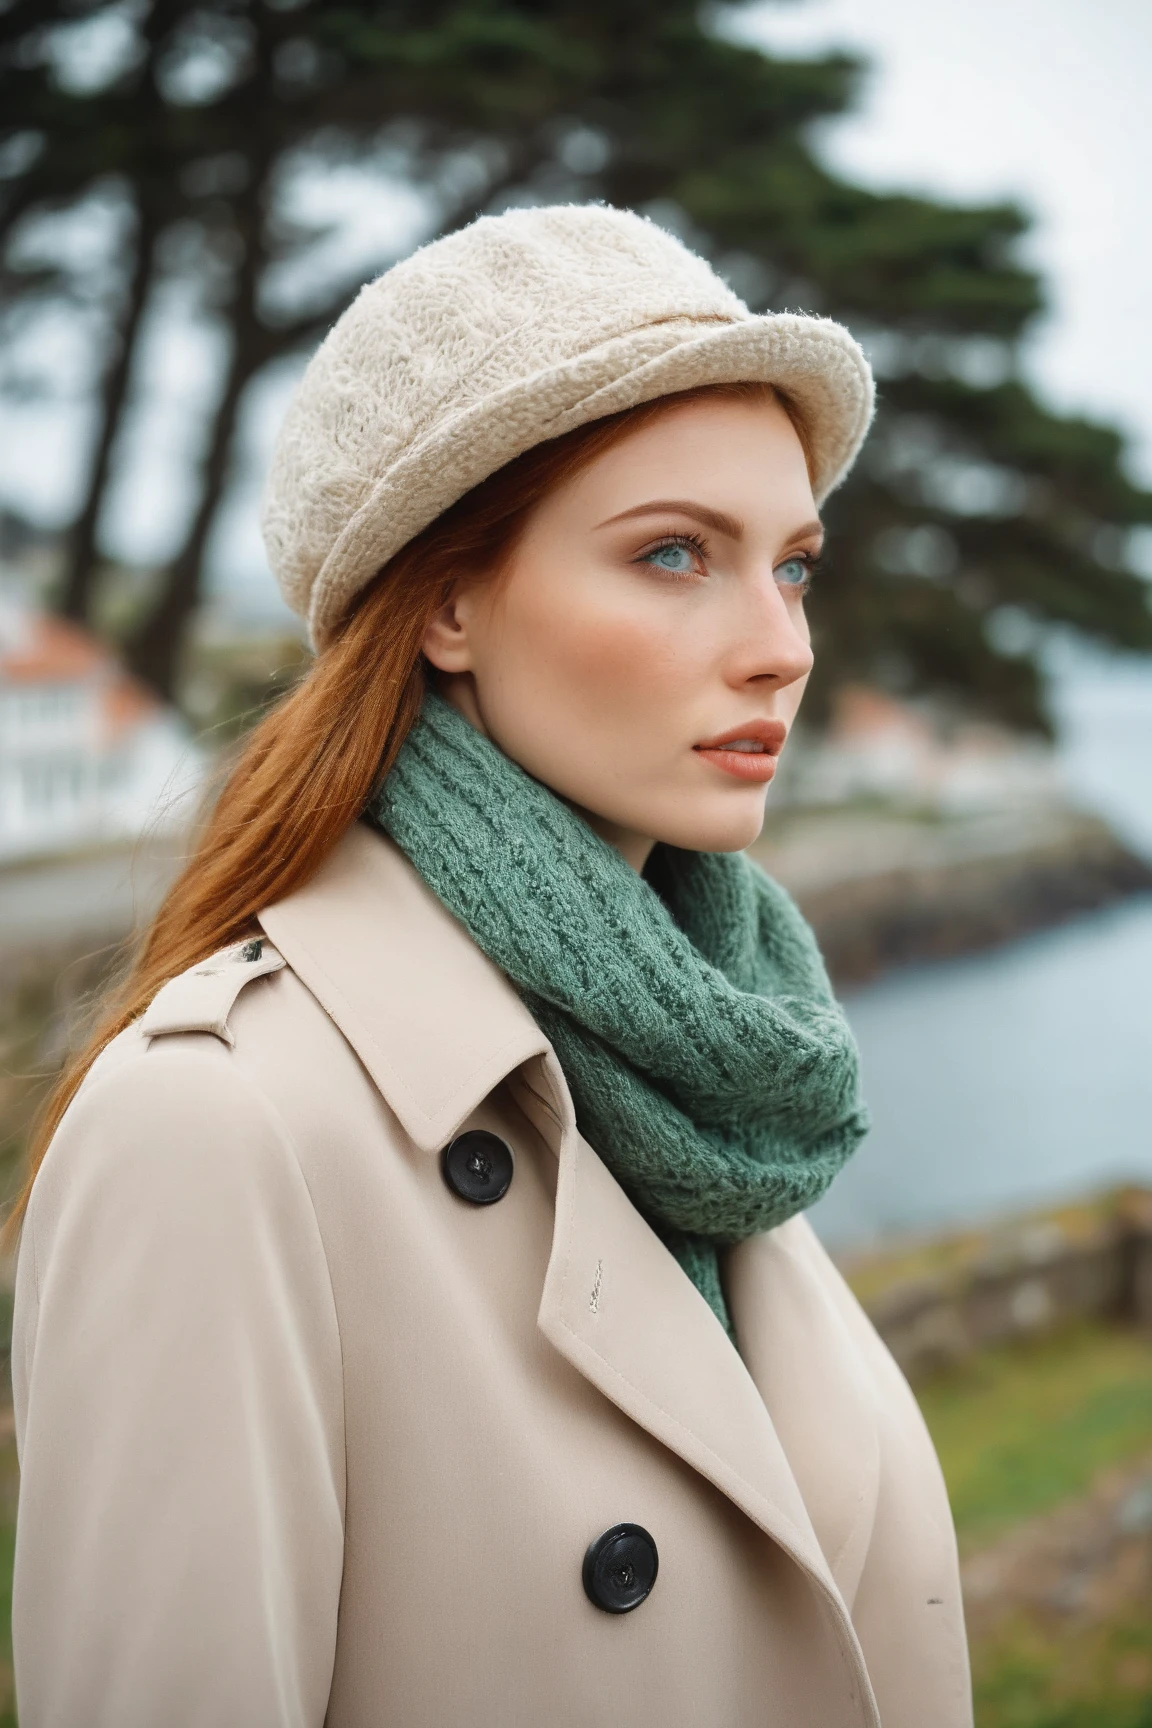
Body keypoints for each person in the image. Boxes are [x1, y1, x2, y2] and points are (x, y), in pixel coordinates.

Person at [9, 205, 971, 1728]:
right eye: (674, 554)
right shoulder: (213, 1127)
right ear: (448, 604)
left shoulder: (714, 1077)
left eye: (792, 565)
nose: (781, 644)